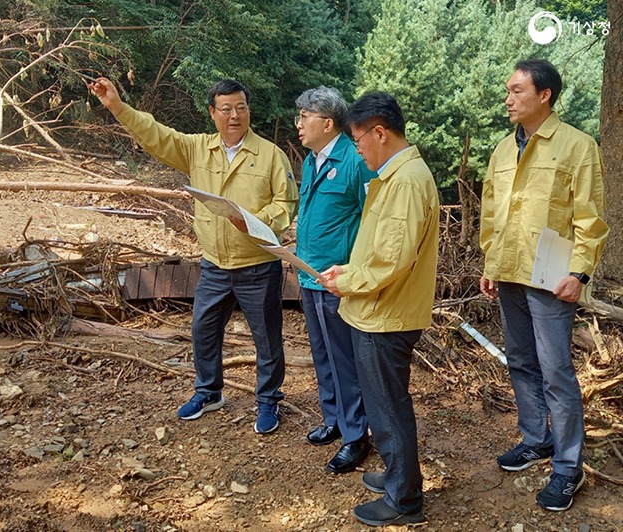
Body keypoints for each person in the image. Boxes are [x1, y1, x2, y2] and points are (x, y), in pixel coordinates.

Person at [91, 78, 299, 434]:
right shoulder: (197, 149)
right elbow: (156, 135)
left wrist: (254, 221)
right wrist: (117, 106)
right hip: (214, 264)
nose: (235, 115)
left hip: (257, 266)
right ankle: (209, 391)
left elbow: (287, 203)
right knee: (203, 331)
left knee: (266, 337)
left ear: (249, 110)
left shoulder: (270, 154)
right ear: (212, 113)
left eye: (241, 108)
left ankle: (267, 400)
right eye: (227, 109)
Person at [479, 59, 608, 511]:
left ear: (544, 94)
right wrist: (490, 264)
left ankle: (568, 467)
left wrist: (580, 273)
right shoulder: (502, 149)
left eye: (516, 91)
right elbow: (492, 215)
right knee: (519, 360)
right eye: (508, 91)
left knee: (556, 370)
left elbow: (590, 218)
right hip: (509, 273)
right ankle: (537, 438)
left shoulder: (577, 145)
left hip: (552, 279)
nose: (508, 99)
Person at [320, 92, 438, 527]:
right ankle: (396, 476)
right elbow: (379, 249)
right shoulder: (395, 176)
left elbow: (392, 260)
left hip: (386, 315)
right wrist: (348, 269)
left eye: (357, 139)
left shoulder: (405, 181)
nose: (357, 149)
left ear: (380, 133)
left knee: (388, 409)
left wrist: (345, 282)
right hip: (377, 309)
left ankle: (405, 501)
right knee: (383, 403)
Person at [294, 86, 375, 473]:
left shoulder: (355, 159)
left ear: (327, 123)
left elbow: (371, 219)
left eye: (304, 117)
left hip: (337, 280)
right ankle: (334, 420)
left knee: (345, 360)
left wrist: (354, 271)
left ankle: (357, 436)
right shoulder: (312, 160)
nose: (298, 125)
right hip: (309, 276)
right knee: (322, 355)